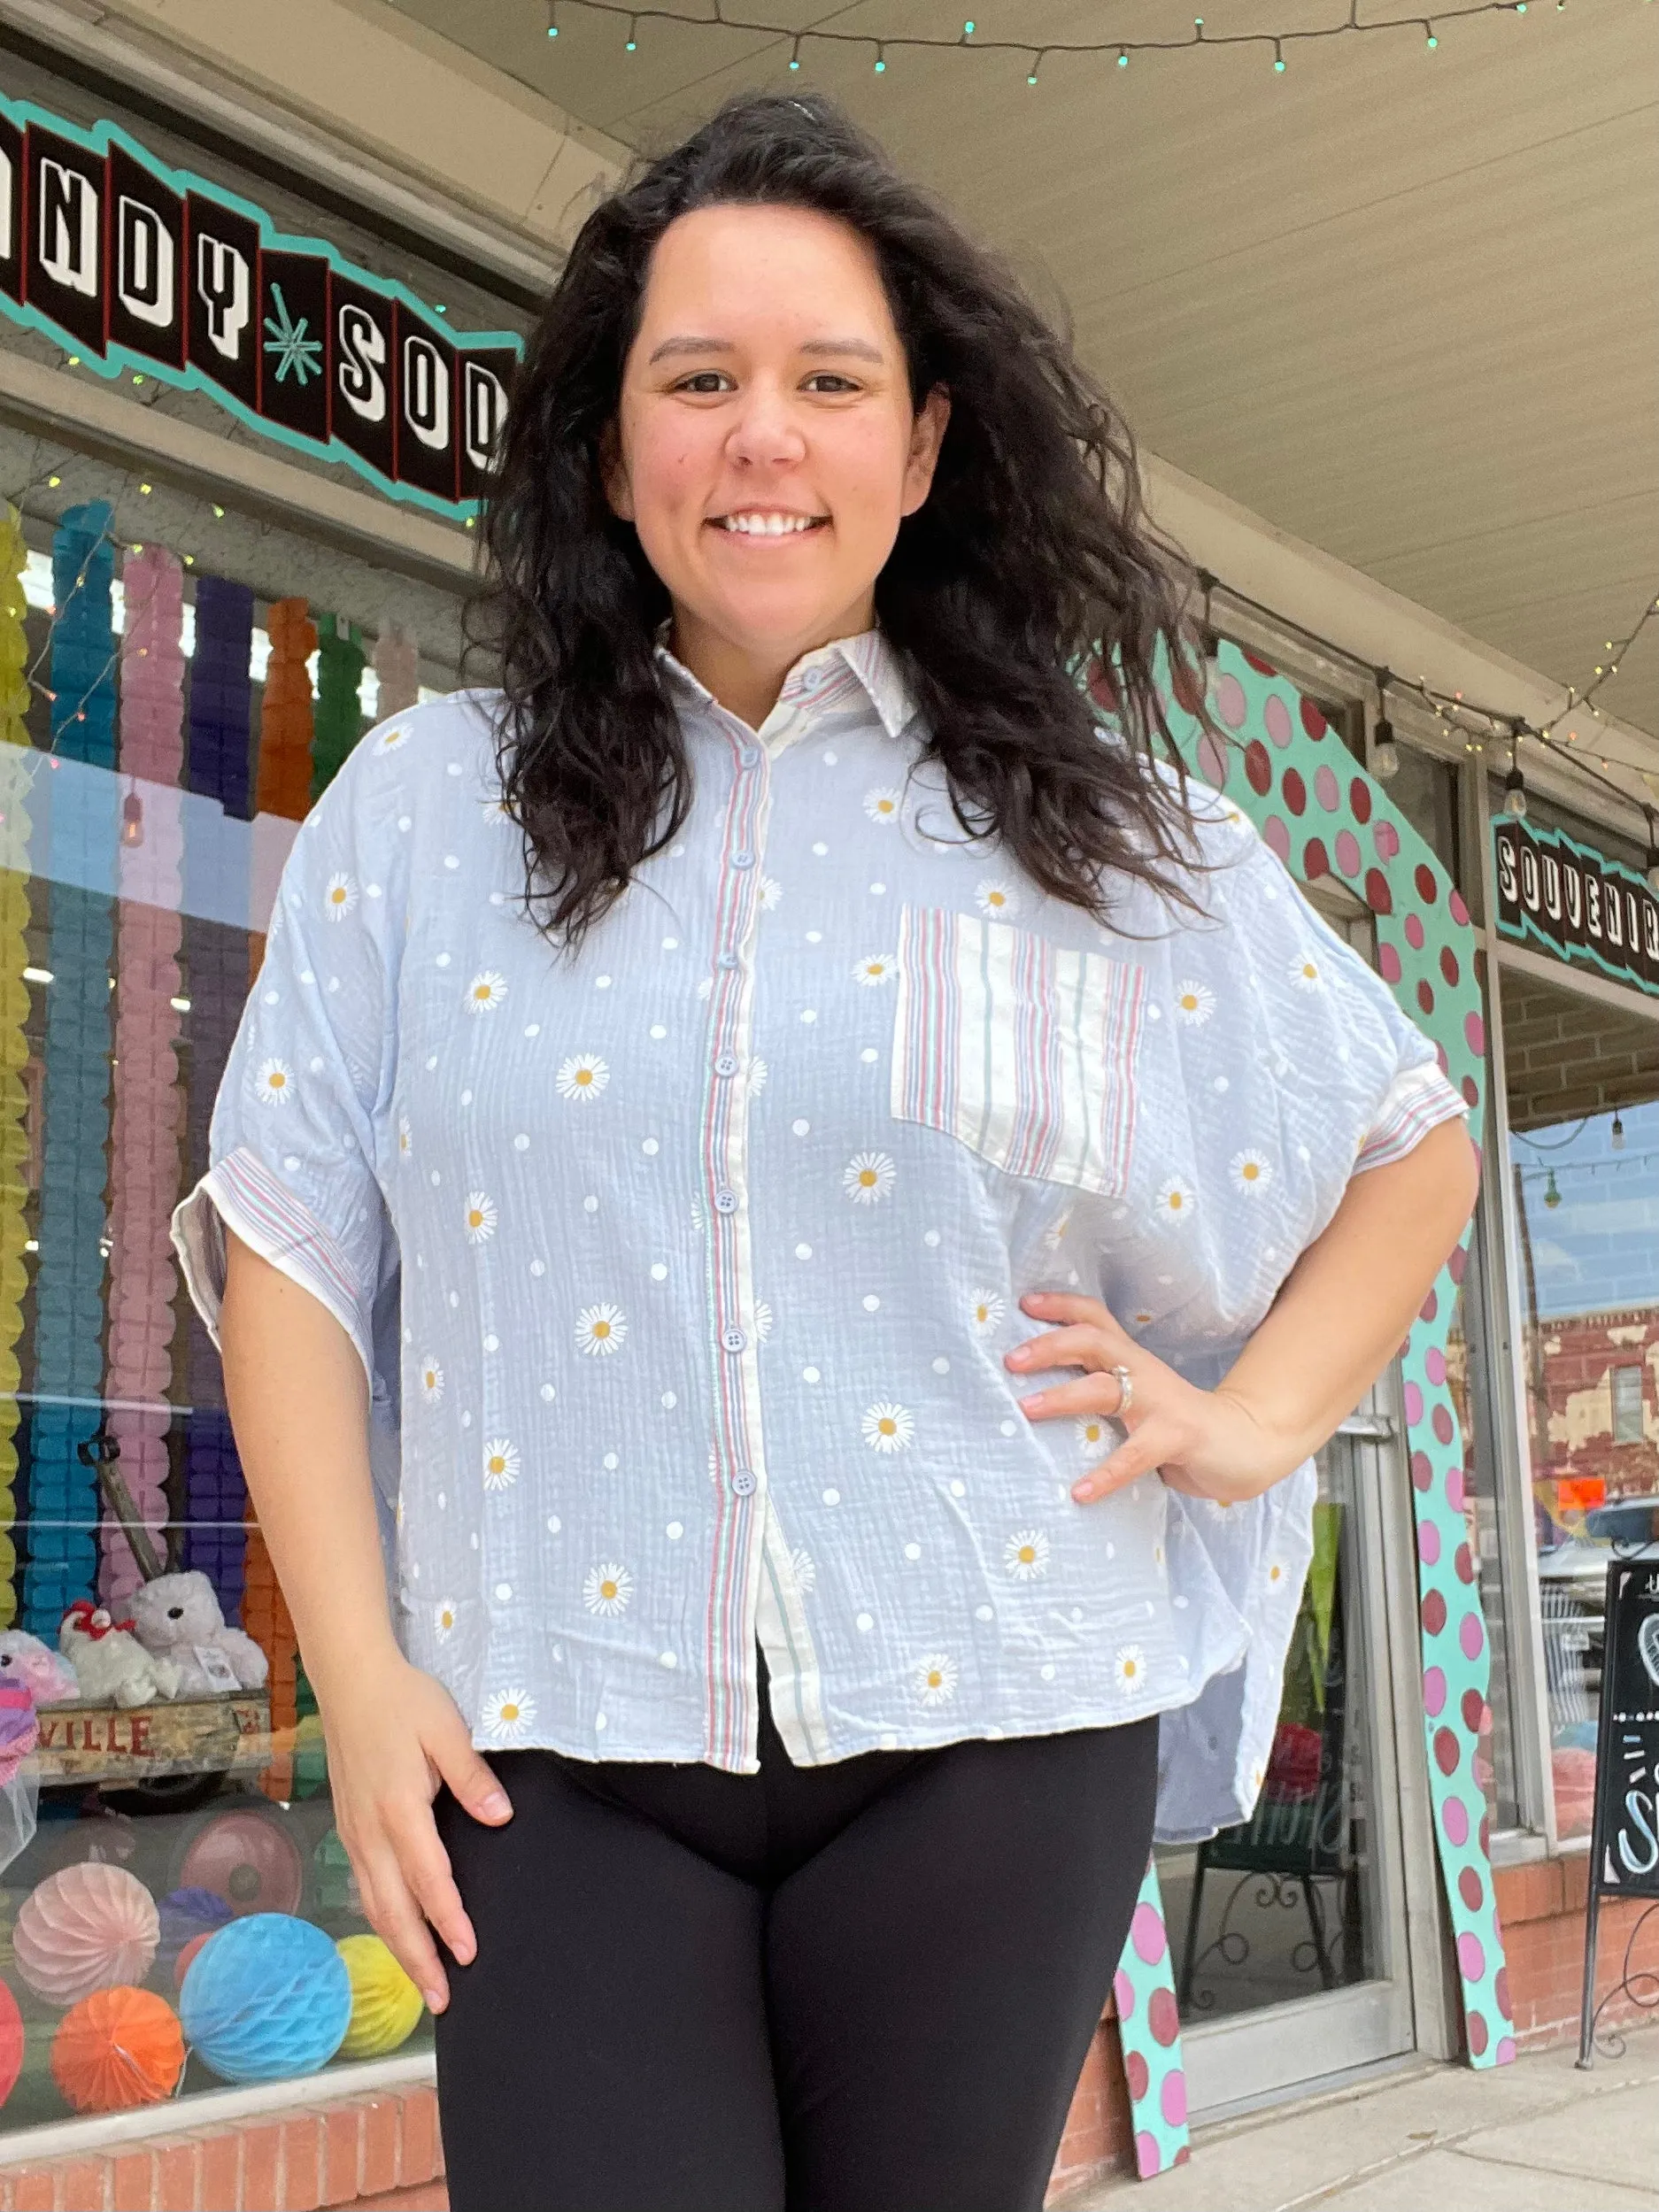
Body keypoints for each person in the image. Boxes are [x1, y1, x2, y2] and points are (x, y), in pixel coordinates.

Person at [174, 88, 1478, 2212]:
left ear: (925, 445)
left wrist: (1251, 1426)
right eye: (696, 380)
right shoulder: (427, 813)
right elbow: (294, 1251)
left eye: (825, 381)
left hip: (991, 1703)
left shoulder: (1102, 831)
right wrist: (362, 1664)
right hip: (550, 1744)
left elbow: (1405, 1144)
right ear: (613, 448)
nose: (758, 435)